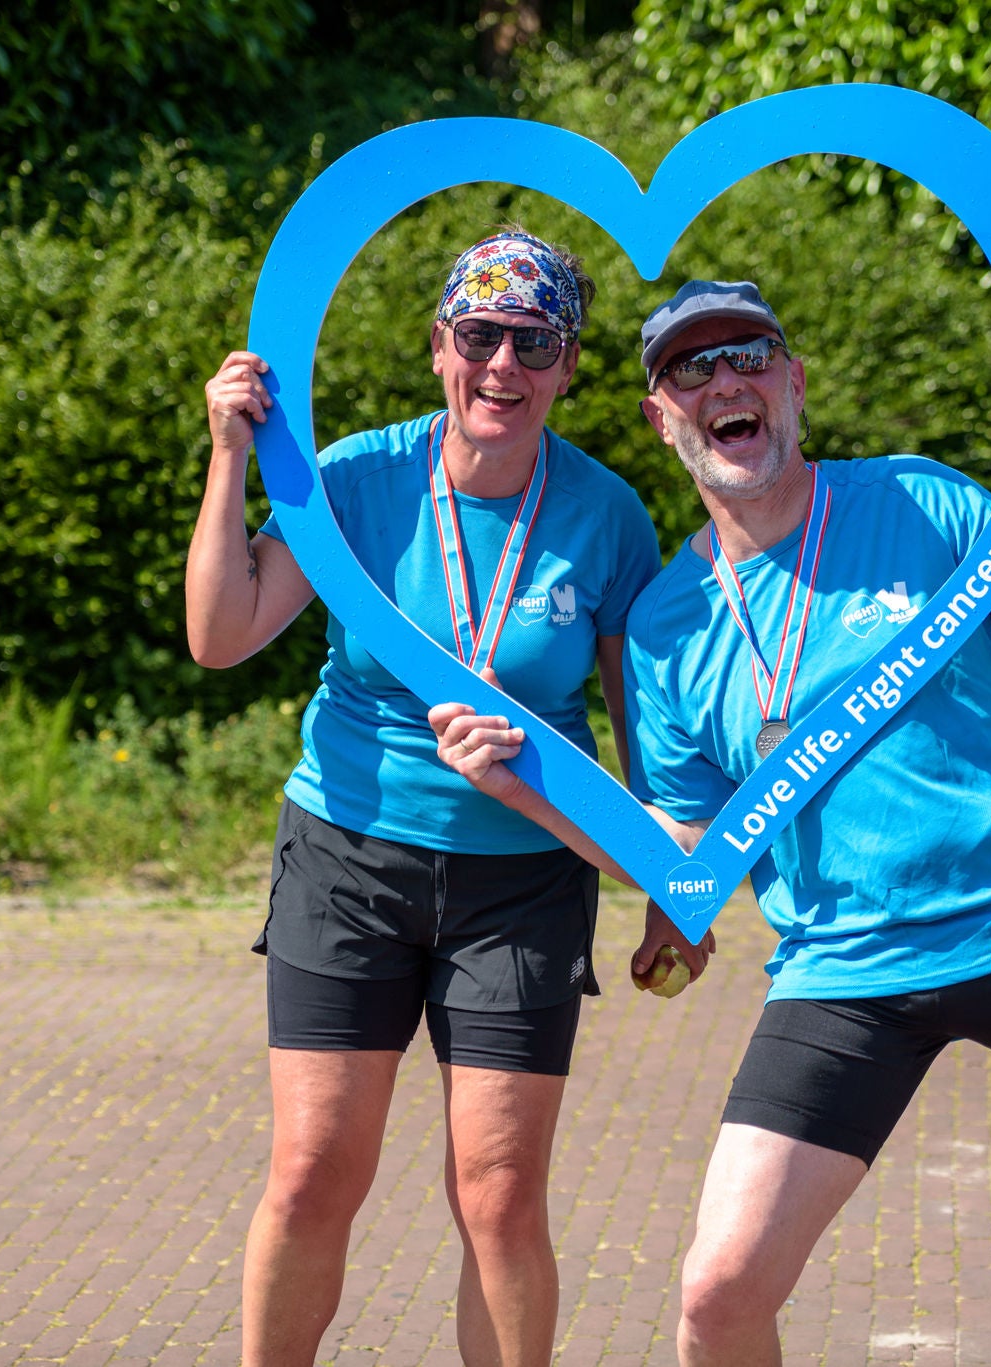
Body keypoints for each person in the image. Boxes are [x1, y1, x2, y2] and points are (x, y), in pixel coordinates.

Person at [430, 279, 991, 1365]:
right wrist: (533, 788)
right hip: (845, 969)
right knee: (718, 1291)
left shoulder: (919, 502)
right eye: (689, 368)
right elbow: (687, 862)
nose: (725, 380)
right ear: (658, 417)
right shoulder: (667, 624)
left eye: (750, 355)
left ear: (794, 384)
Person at [185, 229, 680, 1367]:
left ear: (565, 366)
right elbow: (219, 635)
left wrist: (669, 885)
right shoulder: (352, 476)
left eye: (533, 342)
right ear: (437, 347)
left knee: (498, 1193)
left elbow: (636, 731)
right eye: (479, 335)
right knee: (312, 1171)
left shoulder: (606, 516)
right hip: (348, 857)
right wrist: (227, 456)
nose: (501, 364)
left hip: (522, 880)